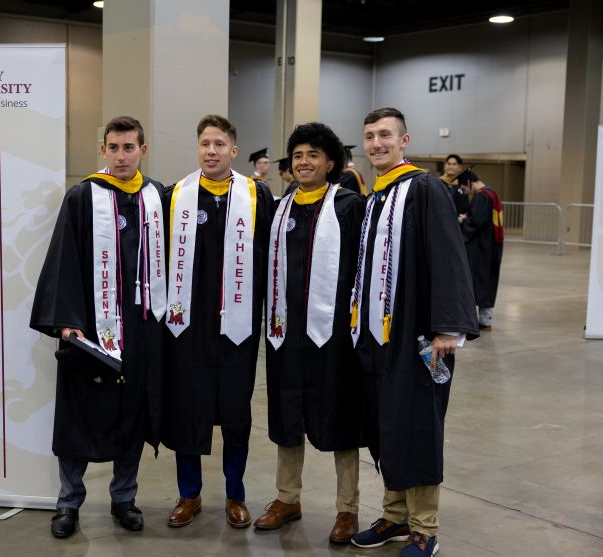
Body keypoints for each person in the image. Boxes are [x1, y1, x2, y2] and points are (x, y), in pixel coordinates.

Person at [349, 108, 478, 557]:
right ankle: (395, 516)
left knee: (418, 424)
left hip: (417, 335)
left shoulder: (424, 188)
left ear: (404, 140)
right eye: (370, 136)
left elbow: (448, 255)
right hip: (377, 334)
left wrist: (447, 327)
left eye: (385, 135)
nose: (376, 143)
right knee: (387, 423)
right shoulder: (376, 195)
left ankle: (425, 527)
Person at [30, 116, 166, 539]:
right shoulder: (82, 197)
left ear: (143, 150)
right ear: (103, 151)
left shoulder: (156, 197)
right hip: (91, 330)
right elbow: (64, 258)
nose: (121, 156)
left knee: (132, 414)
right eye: (114, 147)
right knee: (80, 415)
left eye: (129, 147)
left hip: (141, 330)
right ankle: (68, 502)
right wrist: (68, 324)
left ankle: (124, 498)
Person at [254, 122, 366, 544]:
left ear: (330, 163)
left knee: (341, 415)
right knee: (287, 413)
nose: (304, 162)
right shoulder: (280, 208)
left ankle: (347, 508)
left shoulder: (349, 207)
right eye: (298, 155)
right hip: (286, 333)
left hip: (333, 334)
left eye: (313, 155)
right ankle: (288, 498)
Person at [163, 114, 273, 529]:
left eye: (219, 144)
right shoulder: (176, 196)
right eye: (205, 144)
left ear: (234, 150)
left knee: (236, 411)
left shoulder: (256, 196)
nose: (211, 151)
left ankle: (235, 493)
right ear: (198, 148)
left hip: (237, 325)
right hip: (188, 327)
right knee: (187, 407)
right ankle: (189, 493)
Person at [458, 169, 504, 330]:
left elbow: (476, 223)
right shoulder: (492, 194)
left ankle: (473, 321)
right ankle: (485, 320)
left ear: (469, 183)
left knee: (476, 282)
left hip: (481, 249)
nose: (466, 192)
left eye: (464, 188)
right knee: (488, 283)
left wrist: (464, 221)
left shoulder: (481, 197)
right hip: (492, 246)